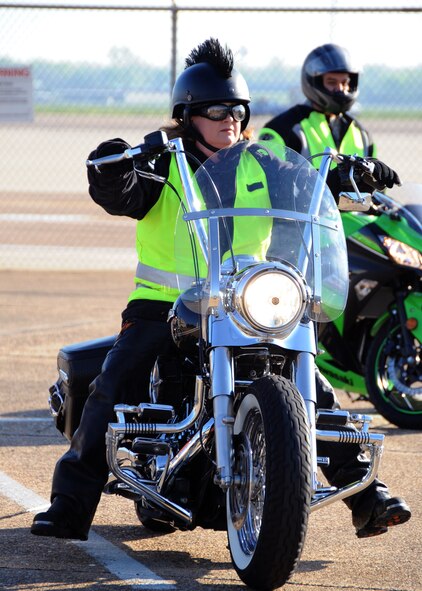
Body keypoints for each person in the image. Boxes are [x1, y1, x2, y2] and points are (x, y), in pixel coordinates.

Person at [31, 38, 410, 543]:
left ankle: (367, 497)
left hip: (247, 302)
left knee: (313, 385)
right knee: (112, 383)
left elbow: (309, 187)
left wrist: (344, 173)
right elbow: (118, 191)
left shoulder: (261, 162)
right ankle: (70, 506)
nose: (230, 119)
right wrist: (111, 165)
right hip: (165, 307)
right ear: (187, 115)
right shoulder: (162, 163)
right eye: (216, 110)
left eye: (237, 110)